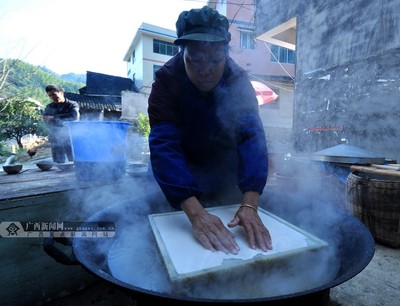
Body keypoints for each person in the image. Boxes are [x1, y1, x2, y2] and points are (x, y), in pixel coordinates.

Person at [148, 6, 272, 255]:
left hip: (223, 167)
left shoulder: (238, 81)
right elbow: (164, 146)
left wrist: (250, 204)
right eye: (195, 59)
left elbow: (251, 138)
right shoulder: (167, 81)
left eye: (215, 59)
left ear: (226, 54)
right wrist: (195, 215)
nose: (205, 69)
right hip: (180, 170)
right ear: (182, 53)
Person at [42, 84, 80, 163]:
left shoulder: (72, 104)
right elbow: (47, 121)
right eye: (50, 96)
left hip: (70, 137)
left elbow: (74, 116)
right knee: (58, 163)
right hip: (55, 138)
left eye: (54, 94)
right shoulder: (49, 107)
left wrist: (54, 117)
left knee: (74, 161)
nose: (52, 97)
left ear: (61, 92)